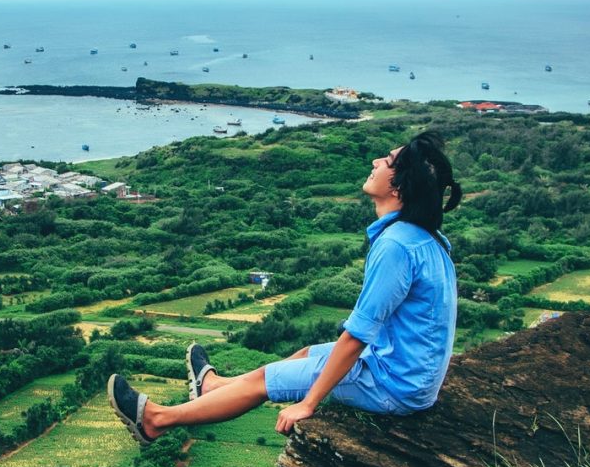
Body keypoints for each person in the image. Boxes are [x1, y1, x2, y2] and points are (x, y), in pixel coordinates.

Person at [108, 131, 462, 445]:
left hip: (394, 385)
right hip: (406, 373)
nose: (375, 162)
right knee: (307, 352)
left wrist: (308, 404)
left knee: (265, 380)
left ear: (399, 186)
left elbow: (357, 336)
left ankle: (155, 421)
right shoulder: (426, 238)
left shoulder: (396, 246)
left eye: (386, 161)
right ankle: (214, 387)